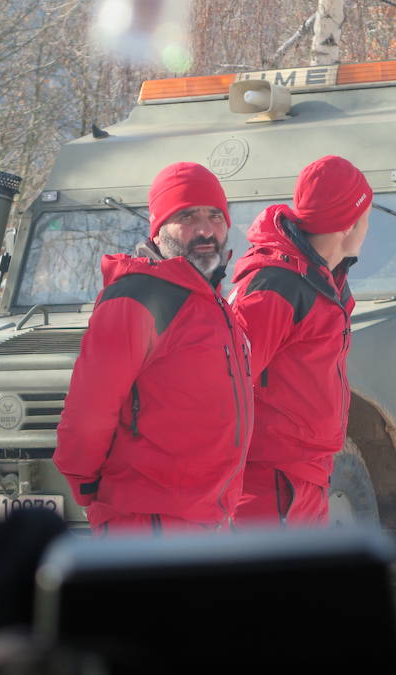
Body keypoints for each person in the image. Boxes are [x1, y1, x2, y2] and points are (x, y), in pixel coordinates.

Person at [54, 162, 253, 535]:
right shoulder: (137, 297)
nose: (206, 228)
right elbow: (89, 409)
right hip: (149, 524)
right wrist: (86, 484)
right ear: (159, 226)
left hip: (210, 519)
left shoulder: (213, 302)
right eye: (187, 215)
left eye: (215, 215)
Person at [229, 155, 372, 527]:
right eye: (368, 216)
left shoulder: (323, 280)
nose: (369, 227)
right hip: (270, 487)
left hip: (305, 478)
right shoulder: (276, 284)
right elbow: (223, 385)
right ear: (348, 223)